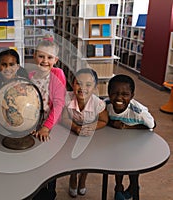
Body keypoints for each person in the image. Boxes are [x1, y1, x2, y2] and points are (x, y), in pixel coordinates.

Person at [106, 74, 155, 200]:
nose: (119, 98)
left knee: (133, 170)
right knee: (118, 165)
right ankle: (118, 189)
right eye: (114, 93)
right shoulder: (106, 105)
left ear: (132, 96)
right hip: (118, 142)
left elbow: (152, 125)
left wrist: (127, 127)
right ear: (108, 93)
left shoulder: (139, 112)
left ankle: (134, 189)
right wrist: (112, 123)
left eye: (125, 94)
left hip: (136, 144)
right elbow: (102, 119)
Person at [61, 68, 108, 198]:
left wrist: (92, 127)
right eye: (78, 83)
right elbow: (63, 118)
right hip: (72, 131)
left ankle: (83, 178)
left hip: (90, 134)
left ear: (94, 88)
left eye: (88, 85)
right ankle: (73, 176)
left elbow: (104, 120)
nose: (83, 88)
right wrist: (76, 128)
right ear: (73, 84)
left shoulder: (98, 103)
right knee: (72, 155)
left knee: (87, 158)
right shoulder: (67, 98)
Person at [29, 39, 66, 200]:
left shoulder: (58, 74)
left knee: (49, 160)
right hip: (33, 123)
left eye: (50, 58)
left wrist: (46, 127)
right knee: (33, 158)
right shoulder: (29, 75)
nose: (45, 61)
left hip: (51, 124)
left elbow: (59, 103)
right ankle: (34, 189)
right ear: (34, 56)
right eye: (41, 56)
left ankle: (50, 192)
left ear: (55, 60)